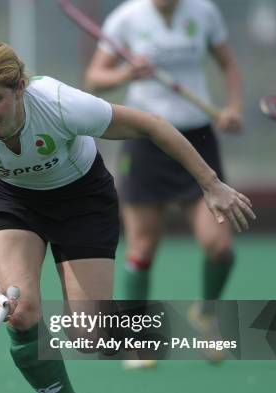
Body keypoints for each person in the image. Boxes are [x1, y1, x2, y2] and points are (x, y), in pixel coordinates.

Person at [0, 40, 253, 393]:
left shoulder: (57, 103)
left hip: (81, 200)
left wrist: (211, 184)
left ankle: (212, 327)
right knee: (22, 314)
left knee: (90, 336)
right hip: (11, 200)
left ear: (20, 88)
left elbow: (152, 125)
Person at [84, 0, 243, 366]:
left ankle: (206, 313)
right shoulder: (126, 18)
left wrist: (232, 106)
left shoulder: (204, 13)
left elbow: (228, 64)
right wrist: (126, 73)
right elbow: (94, 79)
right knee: (142, 248)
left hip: (197, 141)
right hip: (146, 141)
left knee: (219, 247)